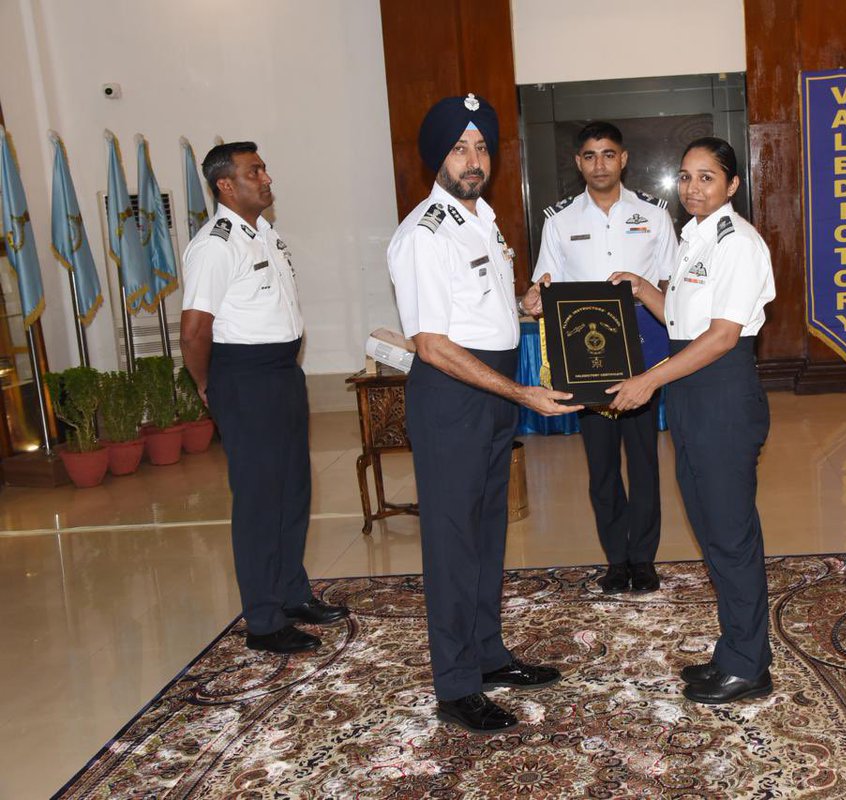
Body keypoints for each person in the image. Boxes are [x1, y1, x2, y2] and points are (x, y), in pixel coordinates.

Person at [387, 94, 582, 733]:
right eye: (458, 148)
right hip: (454, 396)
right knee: (453, 543)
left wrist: (524, 303)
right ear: (436, 156)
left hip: (490, 391)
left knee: (488, 532)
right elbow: (432, 344)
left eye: (480, 148)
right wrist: (520, 393)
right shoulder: (423, 233)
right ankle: (455, 685)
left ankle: (488, 654)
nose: (473, 160)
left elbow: (479, 308)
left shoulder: (484, 219)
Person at [606, 136, 776, 705]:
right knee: (710, 527)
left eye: (707, 177)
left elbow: (723, 336)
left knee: (730, 533)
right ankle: (736, 650)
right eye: (685, 177)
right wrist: (640, 288)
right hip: (691, 390)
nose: (692, 188)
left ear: (732, 184)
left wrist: (649, 380)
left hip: (722, 393)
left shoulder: (738, 243)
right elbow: (682, 321)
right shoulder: (694, 237)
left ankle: (749, 666)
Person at [180, 142, 349, 655]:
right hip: (244, 378)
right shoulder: (215, 245)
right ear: (225, 185)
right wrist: (209, 385)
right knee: (259, 501)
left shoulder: (264, 233)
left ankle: (291, 594)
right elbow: (194, 331)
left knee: (293, 489)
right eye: (254, 171)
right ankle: (263, 619)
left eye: (264, 168)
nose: (267, 177)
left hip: (280, 373)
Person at [527, 121, 678, 594]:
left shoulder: (654, 215)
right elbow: (544, 286)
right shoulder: (559, 221)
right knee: (601, 467)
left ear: (623, 159)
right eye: (590, 156)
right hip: (586, 359)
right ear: (579, 163)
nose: (600, 164)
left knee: (644, 461)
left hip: (641, 351)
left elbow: (670, 284)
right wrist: (533, 297)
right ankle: (616, 559)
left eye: (608, 154)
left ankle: (644, 559)